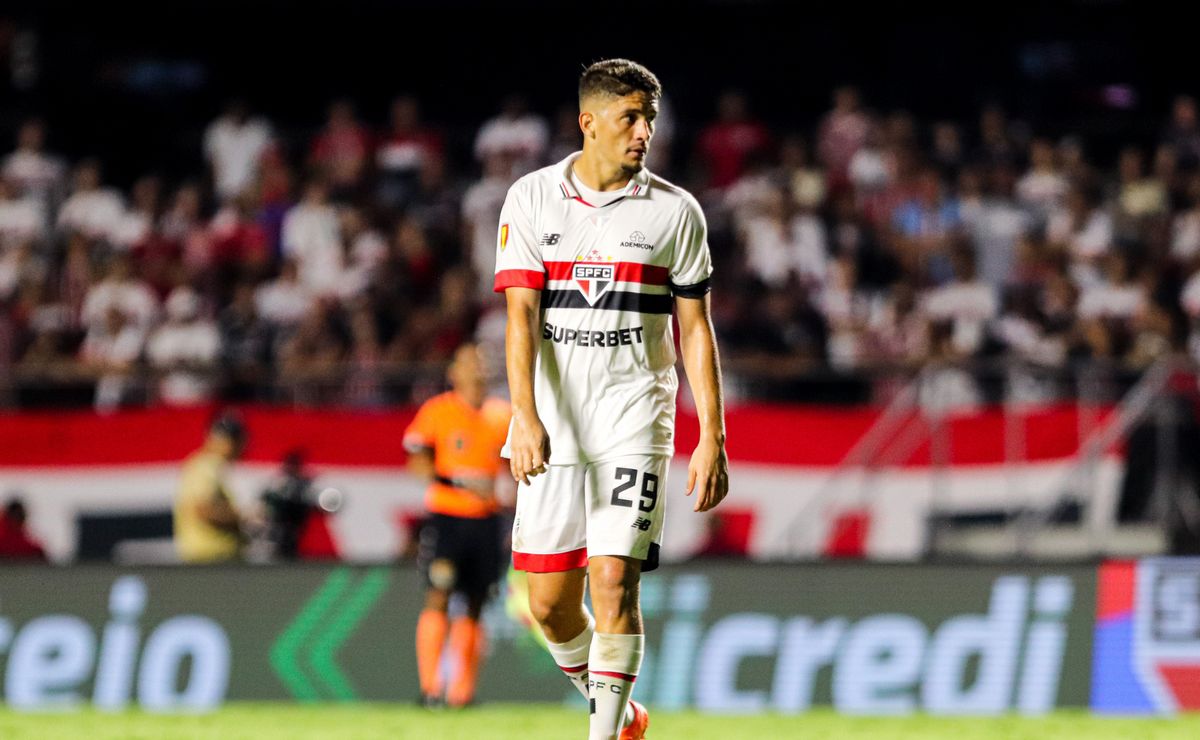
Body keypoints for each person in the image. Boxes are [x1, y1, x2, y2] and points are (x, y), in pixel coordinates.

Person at [493, 59, 729, 740]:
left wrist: (711, 433)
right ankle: (622, 717)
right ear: (588, 122)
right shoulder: (532, 199)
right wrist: (526, 414)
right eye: (630, 117)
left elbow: (694, 329)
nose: (644, 131)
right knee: (548, 605)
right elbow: (519, 322)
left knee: (613, 582)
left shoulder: (675, 212)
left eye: (650, 117)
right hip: (554, 425)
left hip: (634, 420)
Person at [402, 343, 512, 708]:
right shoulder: (438, 411)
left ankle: (462, 692)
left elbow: (518, 468)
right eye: (470, 362)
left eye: (482, 361)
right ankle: (431, 688)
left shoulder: (503, 414)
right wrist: (455, 480)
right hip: (448, 518)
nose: (478, 368)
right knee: (439, 593)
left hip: (486, 519)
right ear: (454, 372)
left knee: (477, 602)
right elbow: (417, 462)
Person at [173, 411, 248, 563]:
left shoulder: (212, 467)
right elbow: (203, 509)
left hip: (215, 559)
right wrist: (243, 517)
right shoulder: (207, 466)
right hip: (210, 559)